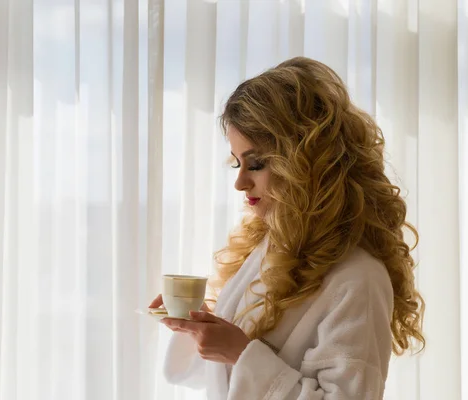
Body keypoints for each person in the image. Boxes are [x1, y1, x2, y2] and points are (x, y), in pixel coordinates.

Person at [148, 56, 425, 399]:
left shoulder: (359, 278)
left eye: (256, 164)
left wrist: (240, 352)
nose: (239, 183)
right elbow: (227, 381)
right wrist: (202, 329)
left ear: (307, 162)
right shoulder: (267, 248)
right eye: (236, 163)